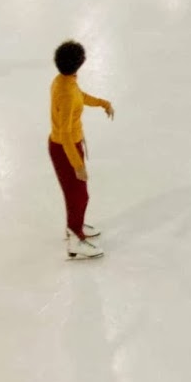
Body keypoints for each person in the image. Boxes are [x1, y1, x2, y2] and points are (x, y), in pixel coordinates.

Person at [49, 40, 115, 260]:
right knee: (79, 195)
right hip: (65, 148)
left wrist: (103, 102)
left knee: (76, 195)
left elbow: (82, 96)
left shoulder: (64, 81)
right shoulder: (66, 92)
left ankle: (74, 226)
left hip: (67, 145)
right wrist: (77, 165)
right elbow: (66, 133)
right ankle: (75, 237)